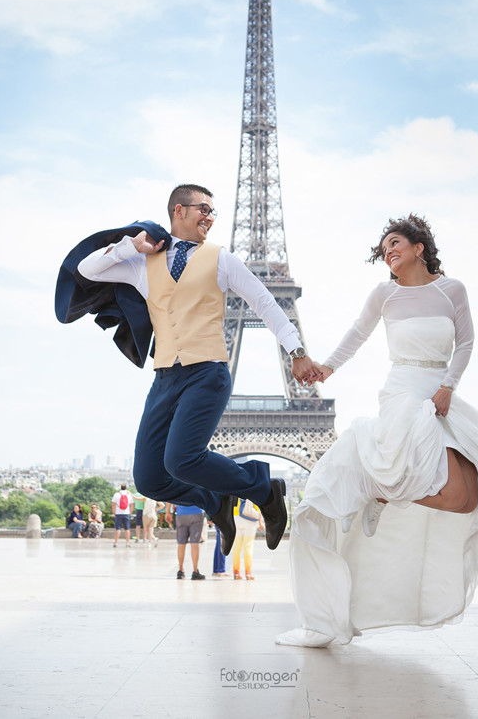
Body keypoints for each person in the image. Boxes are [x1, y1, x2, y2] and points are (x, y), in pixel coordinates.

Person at [276, 214, 478, 648]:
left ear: (418, 248)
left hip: (440, 391)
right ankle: (378, 484)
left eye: (395, 242)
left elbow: (465, 343)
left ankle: (381, 490)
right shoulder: (383, 295)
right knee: (422, 471)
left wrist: (448, 386)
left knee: (466, 498)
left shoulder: (452, 290)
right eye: (383, 248)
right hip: (405, 391)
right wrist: (327, 367)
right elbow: (356, 334)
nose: (388, 251)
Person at [76, 184, 319, 556]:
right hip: (165, 376)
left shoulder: (221, 259)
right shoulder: (143, 262)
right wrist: (131, 246)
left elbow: (266, 303)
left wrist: (296, 351)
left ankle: (263, 488)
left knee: (181, 459)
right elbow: (86, 269)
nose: (209, 217)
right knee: (150, 478)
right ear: (178, 211)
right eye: (202, 209)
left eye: (212, 212)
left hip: (207, 372)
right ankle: (215, 501)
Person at [232, 499, 263, 580]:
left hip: (236, 517)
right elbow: (258, 504)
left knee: (236, 547)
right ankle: (248, 573)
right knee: (248, 546)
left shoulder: (233, 486)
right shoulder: (250, 485)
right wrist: (260, 522)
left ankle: (236, 572)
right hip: (249, 517)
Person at [175, 504, 205, 579]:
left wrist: (168, 511)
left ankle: (180, 570)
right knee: (194, 544)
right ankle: (195, 571)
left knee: (181, 544)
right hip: (197, 512)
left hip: (181, 513)